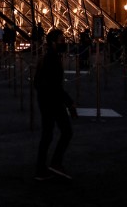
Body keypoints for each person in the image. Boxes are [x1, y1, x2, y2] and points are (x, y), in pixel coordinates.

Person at [33, 28, 77, 180]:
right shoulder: (52, 59)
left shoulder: (47, 57)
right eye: (61, 41)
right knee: (65, 131)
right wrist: (69, 102)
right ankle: (54, 163)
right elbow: (55, 85)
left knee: (48, 134)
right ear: (53, 43)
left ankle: (43, 167)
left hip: (46, 100)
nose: (64, 43)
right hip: (52, 101)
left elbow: (37, 82)